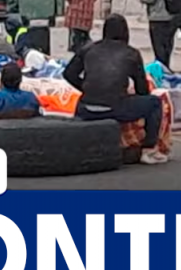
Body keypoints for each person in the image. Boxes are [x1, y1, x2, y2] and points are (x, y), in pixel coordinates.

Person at [63, 14, 168, 164]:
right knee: (154, 103)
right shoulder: (131, 53)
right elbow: (143, 90)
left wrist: (86, 87)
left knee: (84, 101)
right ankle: (149, 150)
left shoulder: (87, 48)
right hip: (115, 106)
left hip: (86, 107)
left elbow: (68, 74)